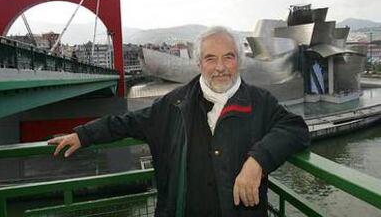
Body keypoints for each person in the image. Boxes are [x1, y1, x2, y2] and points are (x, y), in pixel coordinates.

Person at [48, 26, 310, 217]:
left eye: (228, 57)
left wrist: (258, 161)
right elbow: (127, 122)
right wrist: (83, 135)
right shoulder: (175, 103)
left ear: (239, 61)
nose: (220, 66)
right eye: (210, 58)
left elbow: (295, 128)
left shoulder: (259, 101)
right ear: (198, 64)